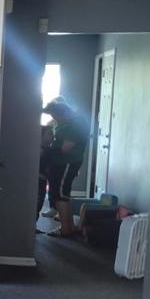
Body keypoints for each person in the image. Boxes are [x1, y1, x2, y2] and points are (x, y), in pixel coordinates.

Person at [43, 95, 89, 237]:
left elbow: (64, 149)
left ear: (65, 113)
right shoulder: (65, 124)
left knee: (61, 195)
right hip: (61, 164)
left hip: (66, 163)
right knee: (62, 195)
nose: (56, 119)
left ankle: (66, 229)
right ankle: (68, 227)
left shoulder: (74, 126)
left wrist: (45, 148)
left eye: (57, 116)